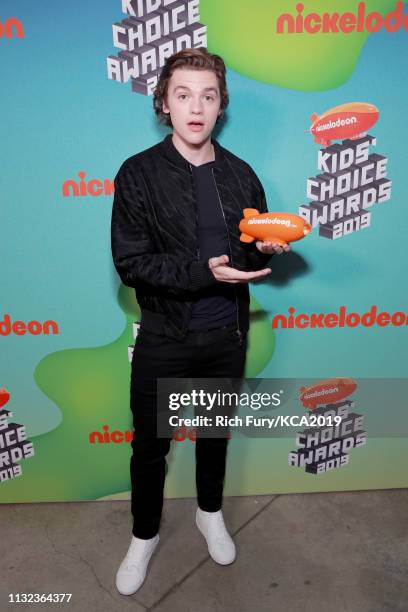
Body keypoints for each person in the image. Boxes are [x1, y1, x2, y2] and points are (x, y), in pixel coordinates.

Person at [110, 47, 290, 596]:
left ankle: (209, 512)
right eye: (183, 94)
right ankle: (144, 535)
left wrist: (266, 251)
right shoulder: (138, 173)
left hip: (225, 335)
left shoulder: (241, 174)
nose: (196, 107)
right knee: (150, 445)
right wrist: (203, 272)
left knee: (214, 435)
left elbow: (250, 256)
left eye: (208, 96)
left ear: (220, 106)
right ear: (164, 102)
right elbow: (132, 262)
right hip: (165, 336)